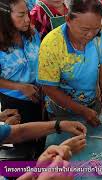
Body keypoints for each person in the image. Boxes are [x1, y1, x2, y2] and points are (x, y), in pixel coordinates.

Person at [37, 0, 102, 127]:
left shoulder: (98, 36)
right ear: (68, 20)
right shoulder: (51, 44)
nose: (90, 35)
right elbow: (49, 88)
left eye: (96, 28)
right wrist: (82, 111)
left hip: (93, 104)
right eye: (84, 29)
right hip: (63, 111)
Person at [0, 0, 48, 159]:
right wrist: (20, 87)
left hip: (39, 95)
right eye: (21, 15)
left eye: (27, 13)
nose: (27, 19)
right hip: (15, 102)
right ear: (5, 17)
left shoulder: (32, 35)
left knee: (44, 140)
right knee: (25, 150)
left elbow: (42, 61)